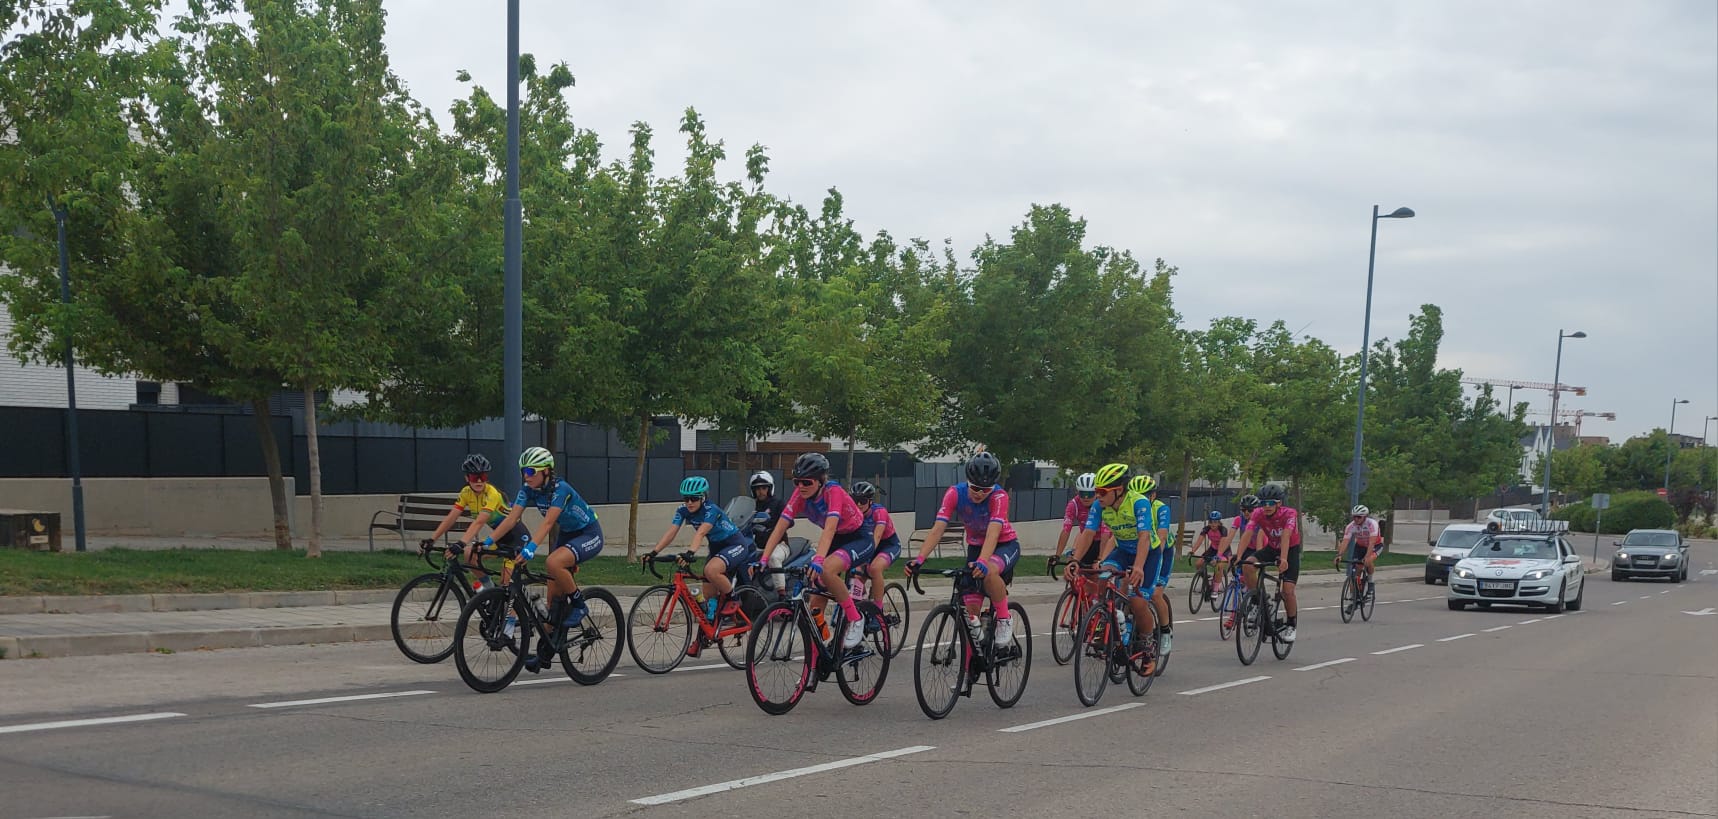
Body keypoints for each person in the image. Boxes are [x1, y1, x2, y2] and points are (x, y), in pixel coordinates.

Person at [484, 447, 604, 668]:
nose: (526, 476)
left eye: (531, 471)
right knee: (551, 606)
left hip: (588, 533)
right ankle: (545, 656)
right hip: (568, 535)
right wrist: (487, 542)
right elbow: (510, 520)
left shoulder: (561, 489)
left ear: (546, 471)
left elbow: (548, 524)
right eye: (523, 471)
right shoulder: (528, 489)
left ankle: (579, 605)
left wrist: (530, 548)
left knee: (552, 562)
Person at [754, 453, 875, 648]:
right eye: (796, 481)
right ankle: (818, 652)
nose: (800, 486)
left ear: (821, 481)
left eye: (806, 482)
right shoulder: (799, 495)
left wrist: (819, 560)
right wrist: (764, 559)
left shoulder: (833, 491)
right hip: (835, 539)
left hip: (858, 538)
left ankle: (855, 618)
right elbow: (779, 528)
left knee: (826, 570)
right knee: (816, 591)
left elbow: (829, 528)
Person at [904, 449, 1021, 646]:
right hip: (976, 546)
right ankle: (973, 663)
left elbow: (993, 533)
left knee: (990, 572)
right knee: (970, 611)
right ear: (968, 481)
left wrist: (983, 562)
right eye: (975, 488)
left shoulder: (999, 497)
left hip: (1004, 545)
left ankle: (1004, 618)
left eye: (986, 489)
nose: (979, 493)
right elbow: (938, 528)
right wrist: (920, 559)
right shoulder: (955, 493)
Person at [1063, 463, 1162, 673]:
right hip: (1123, 549)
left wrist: (1138, 567)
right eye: (1096, 491)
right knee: (1103, 576)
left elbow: (1145, 537)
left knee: (1137, 601)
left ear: (1119, 490)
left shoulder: (1139, 503)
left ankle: (1148, 645)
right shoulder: (1100, 506)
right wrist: (1075, 560)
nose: (1097, 496)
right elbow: (1088, 533)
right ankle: (1107, 618)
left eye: (1102, 491)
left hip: (1148, 554)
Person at [647, 476, 758, 627]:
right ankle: (708, 633)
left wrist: (690, 553)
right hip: (716, 548)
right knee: (708, 596)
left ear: (703, 497)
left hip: (735, 544)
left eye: (694, 498)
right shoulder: (682, 510)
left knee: (711, 570)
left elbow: (700, 533)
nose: (689, 503)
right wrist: (654, 552)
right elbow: (672, 532)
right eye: (686, 498)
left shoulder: (711, 510)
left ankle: (733, 598)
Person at [420, 454, 513, 590]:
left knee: (506, 589)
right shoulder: (466, 493)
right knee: (469, 554)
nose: (479, 481)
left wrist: (461, 543)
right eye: (475, 477)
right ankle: (489, 588)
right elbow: (452, 517)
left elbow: (480, 522)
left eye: (483, 477)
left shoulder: (492, 493)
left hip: (515, 538)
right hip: (498, 538)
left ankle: (510, 610)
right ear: (467, 478)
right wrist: (432, 539)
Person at [1236, 483, 1301, 642]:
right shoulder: (1258, 513)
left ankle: (1291, 624)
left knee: (1287, 590)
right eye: (1263, 503)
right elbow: (1248, 532)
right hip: (1271, 548)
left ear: (1279, 503)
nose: (1266, 506)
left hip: (1290, 550)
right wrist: (1238, 557)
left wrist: (1284, 559)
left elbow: (1286, 535)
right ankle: (1259, 601)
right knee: (1247, 564)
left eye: (1271, 503)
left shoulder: (1290, 513)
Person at [1129, 474, 1176, 654]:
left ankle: (1165, 631)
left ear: (1153, 496)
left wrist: (1152, 565)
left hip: (1161, 552)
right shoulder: (1131, 507)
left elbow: (1162, 536)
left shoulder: (1161, 509)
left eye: (1145, 495)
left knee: (1156, 594)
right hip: (1138, 550)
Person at [848, 481, 900, 608]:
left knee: (874, 568)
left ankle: (878, 610)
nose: (859, 504)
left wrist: (865, 557)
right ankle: (859, 604)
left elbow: (877, 536)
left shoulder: (879, 512)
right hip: (868, 545)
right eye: (856, 500)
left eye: (863, 501)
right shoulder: (853, 515)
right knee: (856, 573)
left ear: (870, 502)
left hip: (888, 545)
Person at [1057, 472, 1111, 567]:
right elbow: (1066, 530)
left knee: (1099, 573)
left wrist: (1100, 559)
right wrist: (1057, 555)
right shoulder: (1073, 505)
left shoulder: (1102, 504)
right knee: (1075, 569)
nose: (1086, 498)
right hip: (1086, 539)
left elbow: (1105, 534)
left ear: (1096, 493)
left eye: (1090, 494)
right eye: (1083, 494)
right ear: (1078, 493)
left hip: (1105, 541)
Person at [1335, 504, 1383, 594]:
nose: (1356, 519)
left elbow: (1372, 542)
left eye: (1359, 517)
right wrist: (1339, 555)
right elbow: (1345, 541)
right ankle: (1354, 598)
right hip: (1360, 546)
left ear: (1365, 517)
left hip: (1375, 545)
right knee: (1357, 569)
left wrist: (1367, 557)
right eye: (1354, 517)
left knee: (1368, 561)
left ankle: (1371, 583)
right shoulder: (1351, 526)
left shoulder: (1372, 524)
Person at [1193, 510, 1230, 599]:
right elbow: (1200, 540)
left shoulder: (1223, 530)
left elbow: (1222, 543)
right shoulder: (1206, 529)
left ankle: (1215, 589)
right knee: (1198, 564)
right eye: (1211, 522)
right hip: (1212, 549)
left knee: (1218, 566)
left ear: (1219, 522)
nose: (1213, 524)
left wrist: (1218, 556)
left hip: (1224, 550)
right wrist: (1193, 550)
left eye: (1216, 522)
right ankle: (1208, 580)